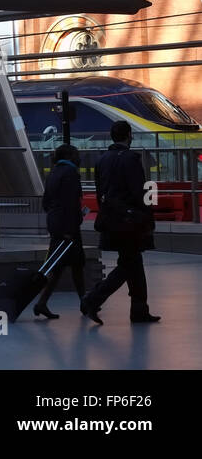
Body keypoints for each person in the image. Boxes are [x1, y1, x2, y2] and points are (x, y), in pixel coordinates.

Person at [80, 120, 160, 324]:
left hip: (110, 220)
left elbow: (100, 193)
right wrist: (147, 218)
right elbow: (139, 192)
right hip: (129, 222)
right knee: (129, 264)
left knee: (133, 262)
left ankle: (140, 309)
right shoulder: (131, 159)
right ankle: (93, 298)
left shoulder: (102, 159)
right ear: (129, 135)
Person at [32, 143, 86, 318]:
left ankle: (43, 303)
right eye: (76, 154)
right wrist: (71, 227)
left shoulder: (53, 172)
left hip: (56, 224)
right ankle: (85, 303)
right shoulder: (70, 173)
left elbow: (46, 202)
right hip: (68, 227)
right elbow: (71, 203)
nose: (79, 158)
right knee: (72, 265)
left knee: (62, 266)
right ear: (70, 156)